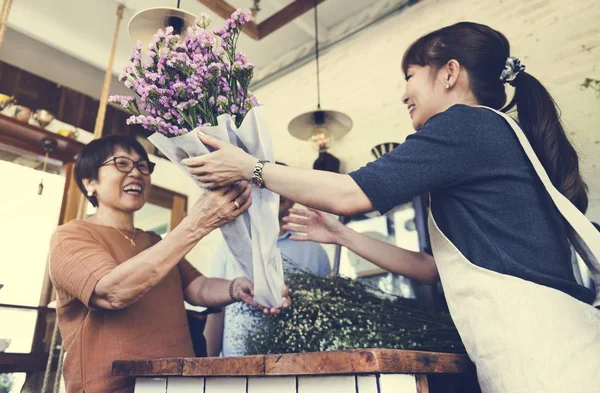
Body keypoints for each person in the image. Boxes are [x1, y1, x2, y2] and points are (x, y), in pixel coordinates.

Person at [182, 22, 600, 393]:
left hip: (539, 360)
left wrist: (251, 167)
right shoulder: (493, 134)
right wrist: (340, 234)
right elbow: (431, 268)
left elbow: (350, 193)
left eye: (410, 75)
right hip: (550, 350)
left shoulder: (465, 124)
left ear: (450, 72)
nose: (404, 92)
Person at [49, 135, 290, 393]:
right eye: (121, 164)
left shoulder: (153, 240)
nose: (136, 172)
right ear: (89, 182)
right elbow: (112, 292)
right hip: (115, 387)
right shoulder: (71, 236)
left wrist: (238, 288)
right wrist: (196, 224)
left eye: (143, 166)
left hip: (178, 383)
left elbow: (197, 287)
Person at [204, 169, 331, 356]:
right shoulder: (230, 245)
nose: (276, 192)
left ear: (293, 197)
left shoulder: (314, 250)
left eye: (283, 186)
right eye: (268, 185)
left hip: (298, 366)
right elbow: (215, 310)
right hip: (235, 368)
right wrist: (208, 369)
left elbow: (325, 313)